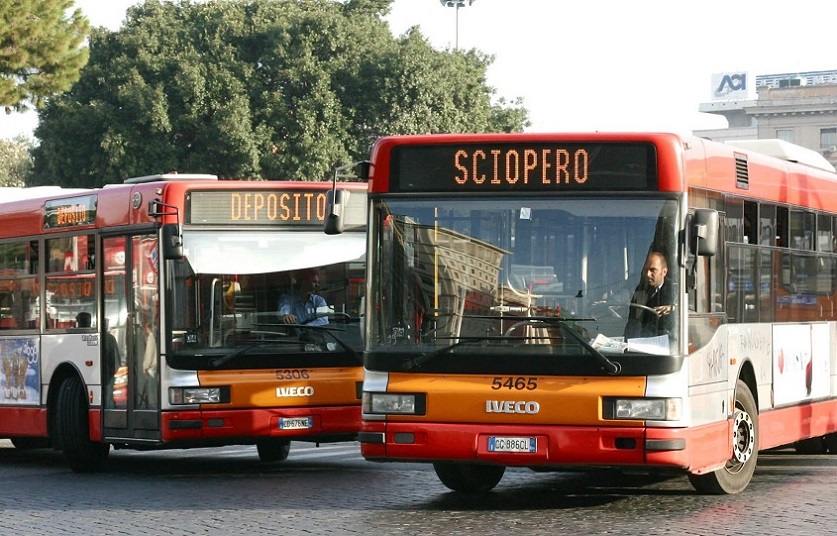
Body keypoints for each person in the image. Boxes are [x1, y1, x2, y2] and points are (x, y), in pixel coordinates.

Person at [624, 251, 675, 339]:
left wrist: (673, 308)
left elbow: (688, 311)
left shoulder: (675, 291)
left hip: (663, 344)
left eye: (652, 270)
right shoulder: (639, 288)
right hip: (636, 342)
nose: (647, 274)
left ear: (664, 272)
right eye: (646, 269)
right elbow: (622, 295)